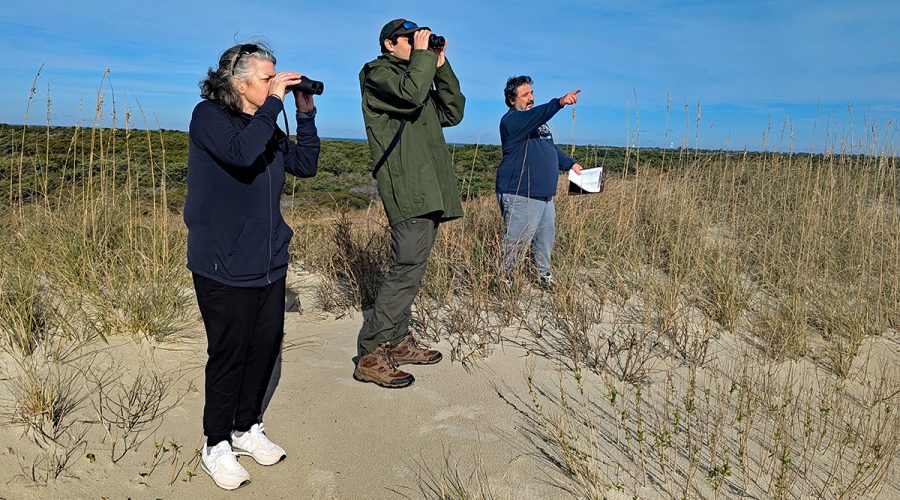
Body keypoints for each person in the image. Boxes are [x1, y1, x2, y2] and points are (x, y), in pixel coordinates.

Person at [184, 41, 320, 490]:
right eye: (267, 77)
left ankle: (245, 428)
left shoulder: (267, 125)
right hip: (223, 262)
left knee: (264, 348)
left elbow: (305, 164)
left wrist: (303, 113)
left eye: (275, 76)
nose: (274, 82)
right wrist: (275, 103)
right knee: (229, 353)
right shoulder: (209, 117)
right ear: (237, 82)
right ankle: (216, 444)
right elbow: (241, 154)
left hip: (268, 261)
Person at [355, 19, 465, 388]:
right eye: (410, 39)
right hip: (407, 187)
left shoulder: (417, 74)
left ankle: (398, 342)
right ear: (389, 44)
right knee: (405, 268)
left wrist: (440, 64)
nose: (418, 43)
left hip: (429, 188)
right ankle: (372, 352)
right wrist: (422, 59)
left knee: (413, 268)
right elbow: (410, 95)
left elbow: (453, 112)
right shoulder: (377, 74)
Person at [496, 75, 582, 290]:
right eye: (525, 95)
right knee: (516, 241)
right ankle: (503, 280)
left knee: (545, 240)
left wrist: (570, 164)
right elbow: (537, 114)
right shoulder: (512, 121)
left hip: (544, 194)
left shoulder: (539, 126)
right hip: (520, 192)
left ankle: (542, 276)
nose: (531, 98)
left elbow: (549, 149)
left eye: (532, 93)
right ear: (512, 101)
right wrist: (559, 103)